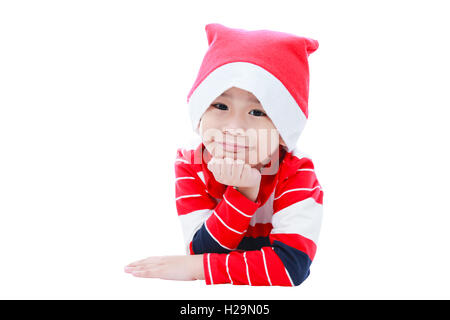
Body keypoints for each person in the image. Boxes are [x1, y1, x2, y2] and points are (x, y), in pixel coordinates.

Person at [124, 23, 323, 286]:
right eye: (220, 105)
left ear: (284, 130)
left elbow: (291, 268)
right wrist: (244, 193)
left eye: (257, 112)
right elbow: (203, 251)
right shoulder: (190, 163)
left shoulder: (295, 172)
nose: (234, 127)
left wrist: (194, 267)